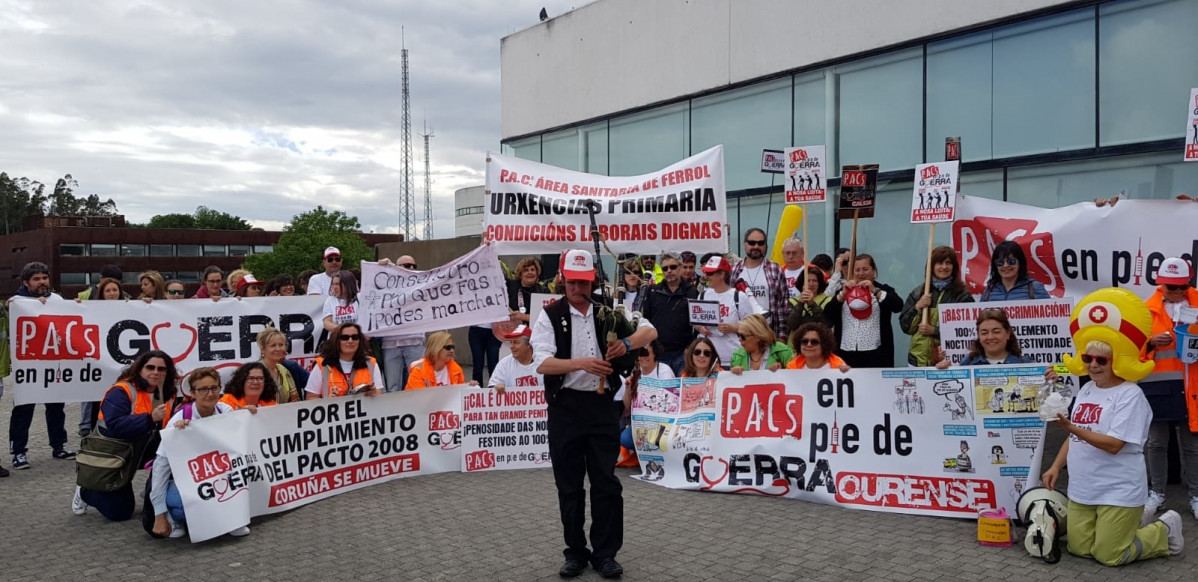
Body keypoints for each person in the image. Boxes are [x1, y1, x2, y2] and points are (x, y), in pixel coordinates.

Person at [531, 249, 657, 579]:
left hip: (602, 407)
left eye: (584, 282)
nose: (578, 288)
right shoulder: (550, 314)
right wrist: (581, 363)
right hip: (566, 408)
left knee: (606, 483)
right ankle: (575, 551)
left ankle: (605, 553)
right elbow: (541, 363)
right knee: (569, 485)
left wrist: (627, 345)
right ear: (562, 280)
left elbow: (650, 331)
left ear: (593, 280)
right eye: (572, 282)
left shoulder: (609, 308)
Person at [1042, 340, 1183, 565]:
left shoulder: (1131, 394)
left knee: (1110, 555)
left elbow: (1114, 445)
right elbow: (1077, 436)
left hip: (1118, 488)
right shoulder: (1087, 389)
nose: (1093, 365)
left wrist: (1069, 426)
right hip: (1084, 487)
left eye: (1101, 360)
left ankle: (1163, 530)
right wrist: (1056, 466)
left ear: (1116, 362)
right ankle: (1131, 522)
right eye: (1088, 358)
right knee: (1078, 548)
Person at [73, 350, 177, 521]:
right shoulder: (121, 391)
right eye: (150, 367)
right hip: (115, 453)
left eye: (161, 369)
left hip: (144, 448)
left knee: (173, 455)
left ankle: (155, 491)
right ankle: (86, 489)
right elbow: (115, 425)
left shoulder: (169, 392)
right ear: (139, 369)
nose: (156, 372)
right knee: (120, 513)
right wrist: (149, 418)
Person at [149, 367, 247, 539]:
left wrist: (251, 416)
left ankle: (232, 519)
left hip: (219, 474)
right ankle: (175, 519)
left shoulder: (226, 412)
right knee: (181, 505)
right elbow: (160, 468)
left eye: (214, 388)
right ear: (192, 393)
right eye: (203, 389)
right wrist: (159, 514)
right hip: (184, 480)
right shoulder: (178, 421)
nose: (210, 393)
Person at [1139, 257, 1198, 519]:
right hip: (1158, 387)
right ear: (1159, 285)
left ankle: (1196, 496)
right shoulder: (1145, 310)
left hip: (1192, 387)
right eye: (1169, 287)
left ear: (1187, 285)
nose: (1174, 292)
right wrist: (1150, 343)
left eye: (1180, 287)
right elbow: (1134, 352)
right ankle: (1157, 493)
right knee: (1156, 444)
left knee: (1192, 446)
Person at [8, 262, 74, 469]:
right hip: (28, 366)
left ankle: (58, 445)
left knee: (56, 407)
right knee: (23, 410)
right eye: (36, 279)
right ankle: (18, 452)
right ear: (26, 283)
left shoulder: (58, 300)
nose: (42, 282)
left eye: (44, 278)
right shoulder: (17, 302)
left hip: (54, 364)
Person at [899, 246, 974, 367]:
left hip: (947, 362)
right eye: (939, 262)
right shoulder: (918, 293)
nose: (944, 267)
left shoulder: (962, 296)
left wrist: (934, 331)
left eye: (948, 263)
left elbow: (968, 332)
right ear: (931, 266)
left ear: (954, 267)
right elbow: (906, 328)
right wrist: (918, 307)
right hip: (918, 361)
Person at [826, 254, 903, 368]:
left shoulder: (884, 289)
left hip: (877, 354)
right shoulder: (844, 291)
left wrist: (875, 291)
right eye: (857, 270)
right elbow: (827, 316)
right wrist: (842, 296)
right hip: (846, 353)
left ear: (874, 270)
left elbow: (898, 306)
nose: (861, 273)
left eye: (865, 269)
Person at [78, 276, 126, 437]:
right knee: (97, 403)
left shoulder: (131, 308)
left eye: (115, 290)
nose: (112, 293)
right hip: (99, 365)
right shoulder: (92, 309)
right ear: (102, 293)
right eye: (108, 290)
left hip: (121, 365)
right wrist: (75, 307)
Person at [697, 254, 764, 367]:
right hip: (707, 359)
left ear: (722, 274)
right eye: (705, 272)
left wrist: (733, 328)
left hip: (733, 358)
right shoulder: (703, 295)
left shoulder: (739, 297)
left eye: (709, 273)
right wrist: (700, 328)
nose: (706, 277)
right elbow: (696, 323)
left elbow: (752, 327)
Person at [640, 251, 698, 374]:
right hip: (659, 354)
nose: (669, 271)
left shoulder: (692, 292)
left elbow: (697, 324)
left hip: (682, 354)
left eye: (673, 267)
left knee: (682, 390)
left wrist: (690, 347)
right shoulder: (652, 291)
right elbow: (646, 320)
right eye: (665, 268)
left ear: (681, 268)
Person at [730, 230, 789, 341]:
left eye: (761, 243)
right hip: (740, 336)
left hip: (768, 334)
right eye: (752, 243)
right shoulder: (734, 270)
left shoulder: (776, 269)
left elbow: (783, 306)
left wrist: (781, 337)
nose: (756, 246)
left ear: (766, 246)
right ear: (745, 245)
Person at [378, 254, 425, 392]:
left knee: (418, 381)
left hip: (415, 341)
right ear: (397, 268)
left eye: (413, 266)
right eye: (406, 265)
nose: (410, 268)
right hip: (391, 343)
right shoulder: (386, 285)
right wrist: (383, 268)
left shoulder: (422, 283)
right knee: (393, 385)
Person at [618, 339, 674, 451]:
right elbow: (627, 406)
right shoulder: (635, 371)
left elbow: (670, 402)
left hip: (662, 422)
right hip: (642, 423)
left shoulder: (664, 371)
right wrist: (628, 388)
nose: (643, 357)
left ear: (654, 353)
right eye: (640, 354)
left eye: (646, 353)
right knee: (625, 439)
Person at [305, 323, 383, 399]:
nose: (350, 341)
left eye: (355, 337)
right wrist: (327, 402)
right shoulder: (322, 364)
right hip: (332, 411)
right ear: (336, 341)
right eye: (345, 337)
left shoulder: (371, 363)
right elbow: (311, 397)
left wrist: (374, 393)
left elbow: (379, 394)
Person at [980, 240, 1050, 301]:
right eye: (1000, 262)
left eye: (1011, 261)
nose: (1005, 265)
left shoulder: (1035, 288)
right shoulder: (989, 290)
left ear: (1020, 263)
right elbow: (980, 315)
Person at [407, 331, 477, 390]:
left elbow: (459, 393)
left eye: (453, 347)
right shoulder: (418, 371)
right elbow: (419, 400)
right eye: (448, 347)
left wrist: (468, 387)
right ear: (436, 348)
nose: (452, 350)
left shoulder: (455, 369)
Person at [729, 314, 793, 374]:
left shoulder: (782, 352)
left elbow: (797, 376)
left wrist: (783, 370)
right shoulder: (737, 356)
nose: (739, 339)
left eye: (743, 336)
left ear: (757, 337)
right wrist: (733, 374)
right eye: (738, 335)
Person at [488, 325, 542, 394]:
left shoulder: (543, 362)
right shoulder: (505, 363)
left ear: (529, 344)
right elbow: (491, 388)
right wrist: (496, 387)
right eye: (511, 342)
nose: (512, 346)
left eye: (516, 342)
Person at [257, 327, 305, 403]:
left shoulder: (285, 371)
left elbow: (295, 402)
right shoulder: (254, 372)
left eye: (281, 345)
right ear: (262, 349)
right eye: (273, 345)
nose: (278, 349)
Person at [787, 265, 832, 333]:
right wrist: (800, 304)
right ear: (802, 283)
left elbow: (826, 324)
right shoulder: (792, 301)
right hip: (795, 341)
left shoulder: (828, 300)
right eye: (808, 281)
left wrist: (812, 304)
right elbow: (792, 325)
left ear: (819, 283)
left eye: (814, 281)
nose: (811, 284)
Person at [508, 257, 550, 324]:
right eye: (526, 270)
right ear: (520, 274)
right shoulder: (510, 286)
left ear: (537, 273)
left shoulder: (544, 291)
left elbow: (546, 317)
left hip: (534, 330)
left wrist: (523, 317)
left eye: (532, 270)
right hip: (512, 329)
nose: (530, 272)